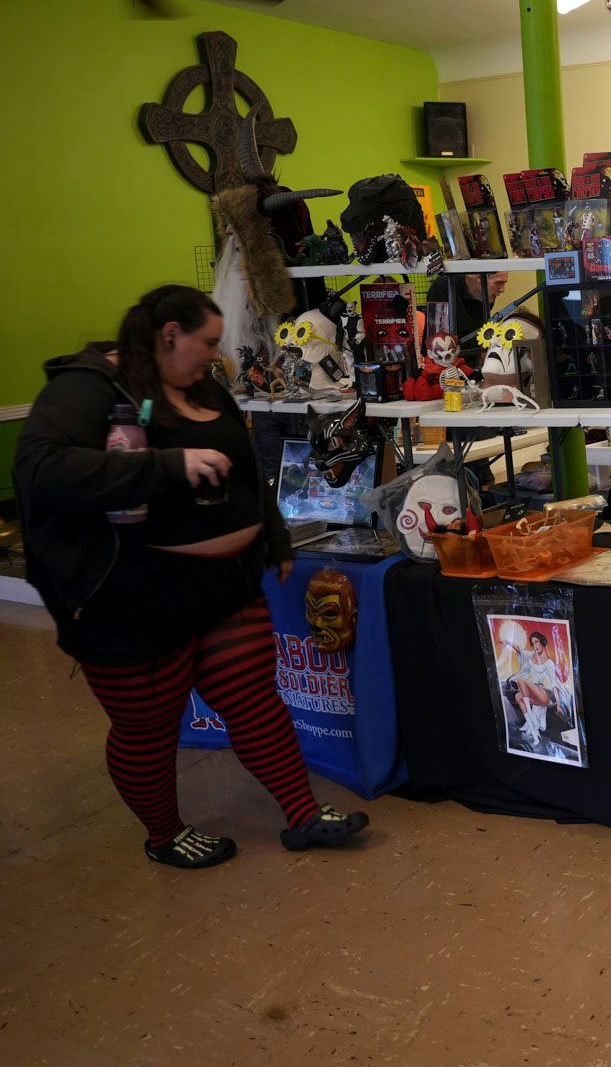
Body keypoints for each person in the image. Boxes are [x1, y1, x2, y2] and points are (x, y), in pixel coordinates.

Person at [14, 285, 370, 869]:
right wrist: (166, 465)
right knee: (147, 729)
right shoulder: (86, 388)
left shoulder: (198, 383)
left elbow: (248, 473)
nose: (216, 352)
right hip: (130, 603)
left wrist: (273, 537)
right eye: (207, 341)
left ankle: (303, 815)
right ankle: (164, 834)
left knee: (255, 702)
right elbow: (40, 467)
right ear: (169, 335)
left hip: (224, 589)